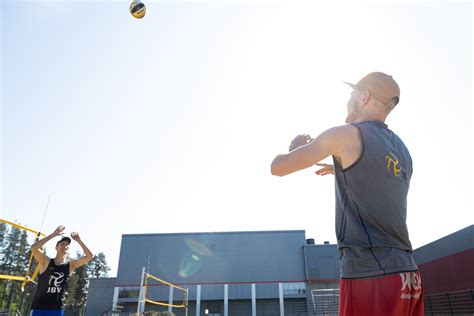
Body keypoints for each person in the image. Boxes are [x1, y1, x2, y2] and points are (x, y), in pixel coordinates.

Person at [271, 72, 424, 316]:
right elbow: (381, 188)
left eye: (352, 94)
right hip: (408, 276)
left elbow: (278, 168)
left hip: (370, 275)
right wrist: (344, 168)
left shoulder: (346, 134)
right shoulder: (401, 150)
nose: (348, 100)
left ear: (364, 97)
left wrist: (295, 149)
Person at [30, 225, 93, 316]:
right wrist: (53, 234)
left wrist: (79, 240)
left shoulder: (70, 265)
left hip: (57, 310)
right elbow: (34, 248)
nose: (65, 246)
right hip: (39, 308)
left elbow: (89, 256)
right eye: (62, 244)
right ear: (56, 247)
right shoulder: (46, 261)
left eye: (67, 244)